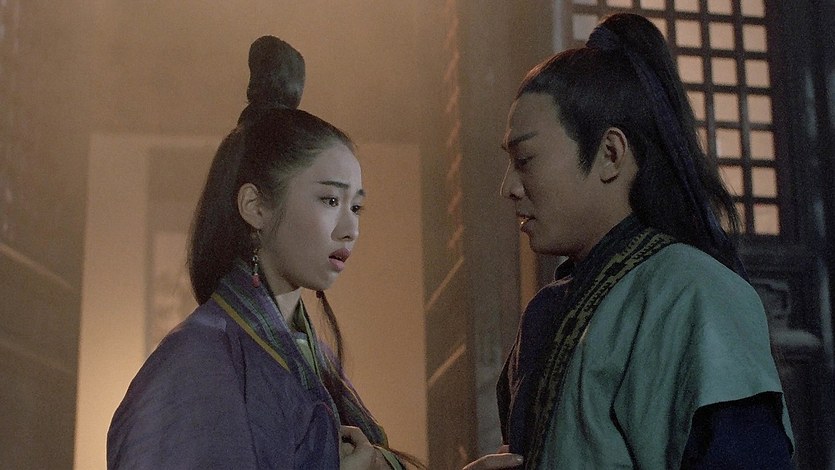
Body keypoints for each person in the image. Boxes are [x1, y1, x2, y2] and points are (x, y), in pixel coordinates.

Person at [465, 13, 793, 470]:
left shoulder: (696, 294)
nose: (509, 187)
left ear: (610, 154)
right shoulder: (543, 314)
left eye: (525, 159)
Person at [107, 35, 413, 469]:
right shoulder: (195, 365)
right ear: (255, 206)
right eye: (330, 200)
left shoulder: (312, 358)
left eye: (356, 206)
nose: (351, 229)